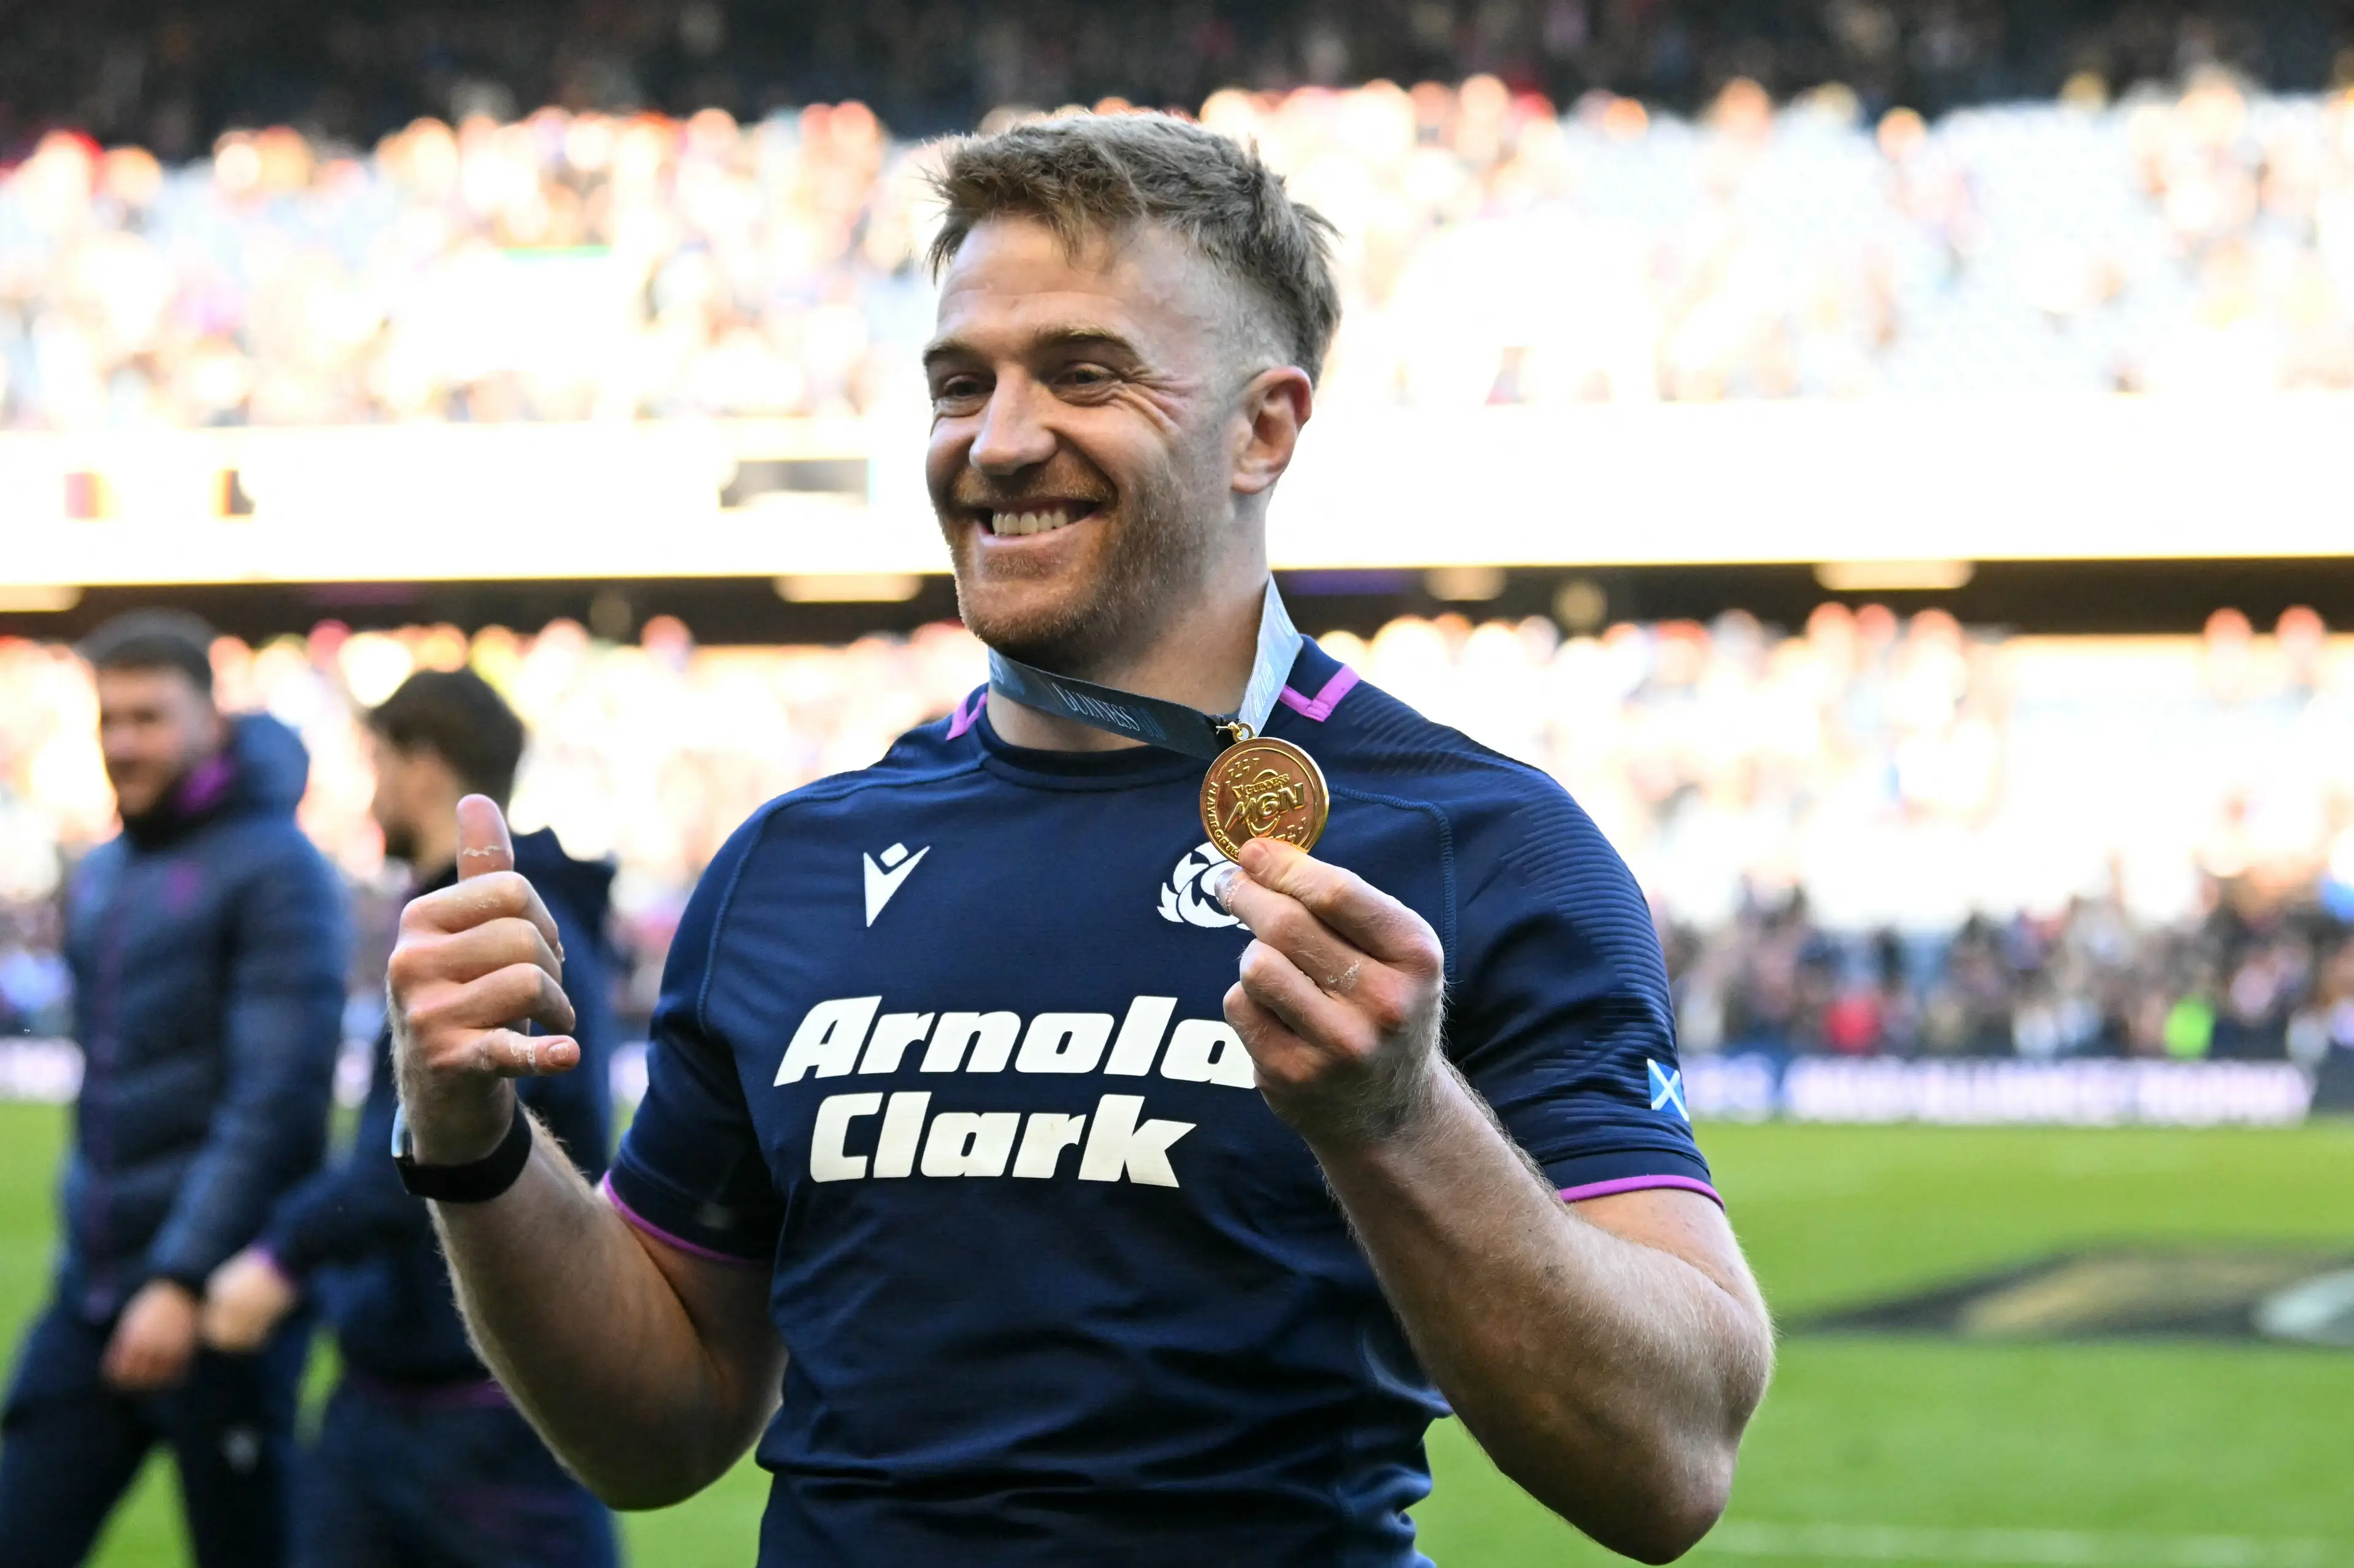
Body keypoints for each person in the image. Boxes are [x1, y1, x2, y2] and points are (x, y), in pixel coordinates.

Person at [387, 113, 1773, 1566]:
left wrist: (1399, 1117)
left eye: (1084, 373)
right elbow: (656, 1428)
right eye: (958, 382)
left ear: (1266, 426)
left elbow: (1670, 1461)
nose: (998, 441)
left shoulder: (1479, 843)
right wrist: (472, 1142)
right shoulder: (788, 862)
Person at [200, 669, 622, 1568]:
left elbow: (434, 1153)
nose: (372, 792)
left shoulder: (494, 933)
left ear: (425, 768)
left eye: (380, 761)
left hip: (480, 1411)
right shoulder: (486, 919)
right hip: (399, 1390)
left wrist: (279, 1258)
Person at [0, 609, 348, 1568]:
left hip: (220, 1302)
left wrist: (181, 1275)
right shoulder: (106, 871)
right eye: (110, 719)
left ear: (212, 721)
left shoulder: (283, 870)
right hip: (95, 1294)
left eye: (150, 716)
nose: (124, 742)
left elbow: (273, 1102)